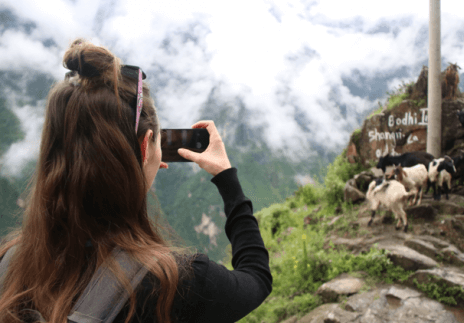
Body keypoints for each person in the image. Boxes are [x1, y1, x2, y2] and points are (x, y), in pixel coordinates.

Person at [0, 39, 272, 323]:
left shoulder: (9, 264)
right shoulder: (176, 283)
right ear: (145, 147)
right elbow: (256, 278)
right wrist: (226, 177)